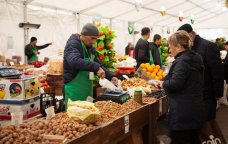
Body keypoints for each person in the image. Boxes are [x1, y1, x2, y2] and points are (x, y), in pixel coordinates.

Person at [157, 30, 205, 144]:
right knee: (193, 139)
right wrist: (161, 80)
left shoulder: (181, 61)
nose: (169, 49)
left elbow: (175, 84)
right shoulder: (196, 57)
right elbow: (175, 77)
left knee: (180, 139)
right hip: (196, 109)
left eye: (170, 46)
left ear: (178, 46)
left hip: (182, 113)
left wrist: (163, 84)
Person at [63, 23, 118, 105]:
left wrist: (111, 76)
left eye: (95, 39)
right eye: (92, 38)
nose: (94, 42)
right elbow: (74, 61)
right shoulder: (73, 44)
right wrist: (96, 67)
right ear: (83, 34)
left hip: (86, 89)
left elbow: (98, 64)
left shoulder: (90, 47)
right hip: (74, 89)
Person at [178, 24, 224, 121]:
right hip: (195, 94)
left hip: (207, 94)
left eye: (183, 39)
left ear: (190, 35)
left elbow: (218, 71)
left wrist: (218, 93)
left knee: (207, 125)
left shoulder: (208, 46)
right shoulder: (190, 47)